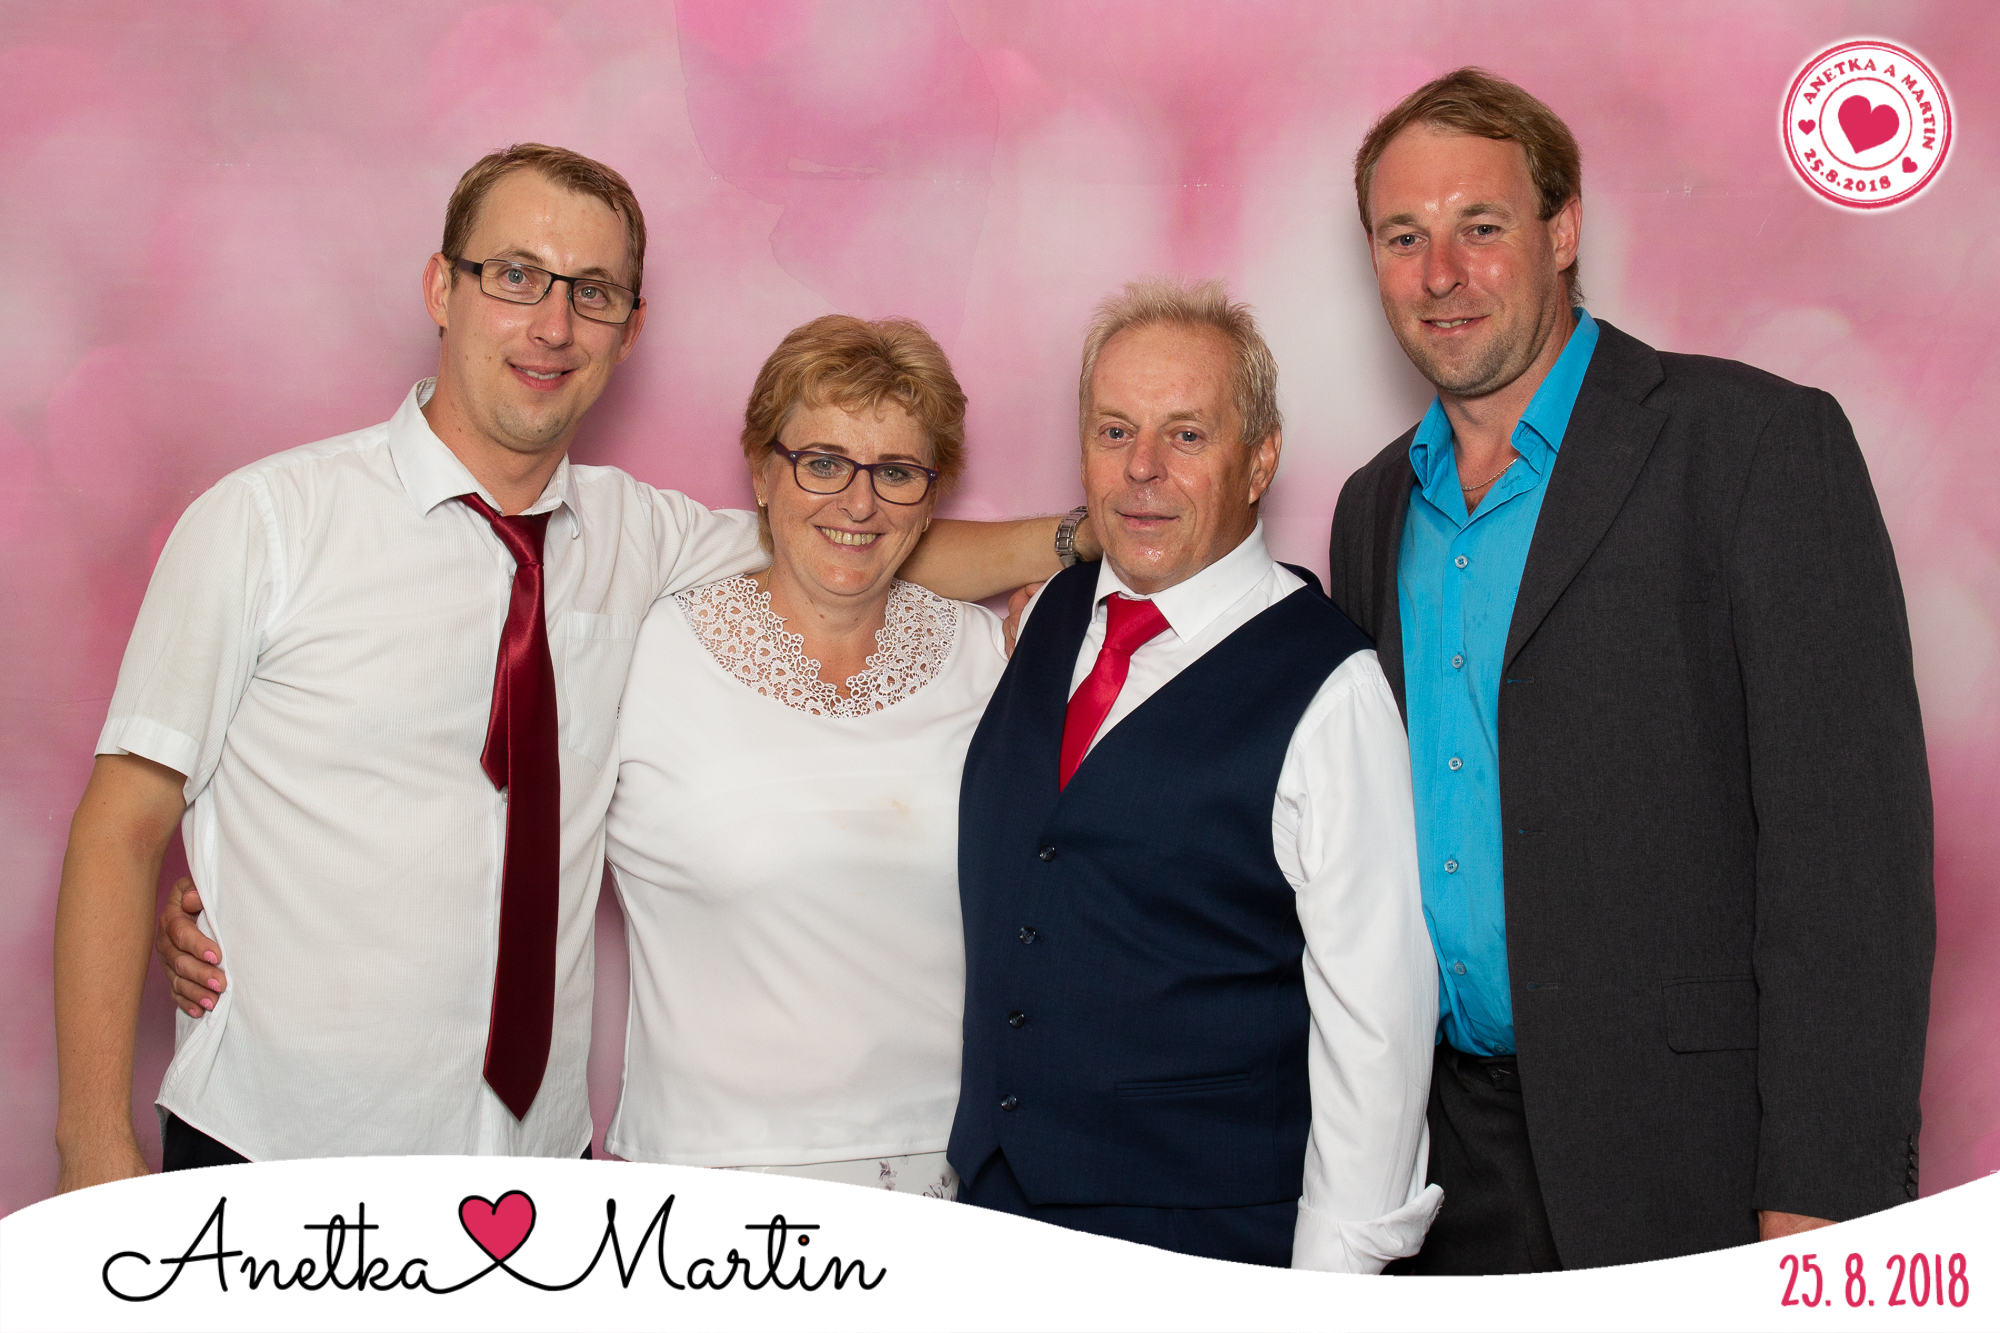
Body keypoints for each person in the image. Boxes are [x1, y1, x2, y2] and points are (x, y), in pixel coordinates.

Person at [56, 143, 1080, 1191]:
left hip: (536, 1165)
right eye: (516, 276)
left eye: (592, 292)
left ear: (629, 329)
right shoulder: (266, 524)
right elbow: (119, 825)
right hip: (277, 1147)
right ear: (441, 288)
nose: (553, 324)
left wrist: (1094, 538)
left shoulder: (642, 537)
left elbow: (853, 542)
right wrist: (93, 1146)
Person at [1326, 68, 1934, 1272]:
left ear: (1561, 229)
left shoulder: (1753, 447)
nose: (1438, 272)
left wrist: (1820, 1197)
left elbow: (1850, 863)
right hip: (1439, 1169)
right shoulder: (1371, 506)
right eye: (1402, 236)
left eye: (1479, 225)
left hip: (1693, 1163)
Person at [950, 278, 1440, 1271]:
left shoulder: (1330, 689)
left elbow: (1377, 1023)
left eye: (1184, 435)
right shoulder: (1047, 616)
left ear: (1258, 459)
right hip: (997, 1212)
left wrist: (1331, 1279)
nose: (1141, 469)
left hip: (1203, 1236)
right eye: (1113, 431)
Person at [600, 314, 1004, 1195]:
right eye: (822, 462)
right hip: (709, 1176)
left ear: (930, 495)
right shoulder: (646, 651)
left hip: (954, 1171)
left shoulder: (992, 656)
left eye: (895, 472)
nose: (858, 504)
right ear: (760, 469)